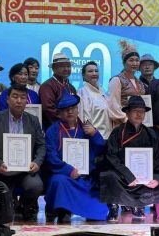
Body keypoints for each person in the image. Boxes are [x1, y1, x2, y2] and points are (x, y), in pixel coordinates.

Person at [0, 84, 45, 221]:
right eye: (15, 97)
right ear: (7, 99)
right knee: (3, 208)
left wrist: (37, 162)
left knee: (36, 186)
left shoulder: (33, 120)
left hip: (26, 170)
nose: (19, 101)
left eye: (23, 97)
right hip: (3, 169)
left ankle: (25, 205)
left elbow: (41, 145)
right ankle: (11, 205)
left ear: (26, 101)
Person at [44, 90, 108, 221]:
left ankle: (90, 211)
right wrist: (69, 170)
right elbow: (50, 157)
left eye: (73, 108)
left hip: (85, 177)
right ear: (59, 113)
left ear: (78, 110)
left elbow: (101, 149)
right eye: (65, 109)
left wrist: (95, 134)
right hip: (64, 175)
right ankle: (63, 210)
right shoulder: (52, 131)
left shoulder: (86, 129)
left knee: (98, 211)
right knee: (59, 181)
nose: (70, 112)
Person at [100, 96, 159, 220]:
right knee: (109, 175)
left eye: (142, 111)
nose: (139, 114)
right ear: (127, 113)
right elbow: (111, 156)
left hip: (142, 176)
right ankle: (113, 206)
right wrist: (127, 175)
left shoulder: (151, 134)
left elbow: (158, 158)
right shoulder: (118, 132)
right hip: (122, 175)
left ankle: (138, 205)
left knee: (158, 183)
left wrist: (157, 178)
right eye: (135, 111)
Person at [107, 40, 145, 128]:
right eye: (131, 60)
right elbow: (113, 106)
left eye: (137, 60)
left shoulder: (140, 83)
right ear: (124, 63)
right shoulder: (116, 80)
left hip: (137, 125)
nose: (134, 63)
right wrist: (127, 120)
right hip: (122, 125)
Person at [39, 52, 76, 130]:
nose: (66, 69)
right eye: (62, 66)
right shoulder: (47, 86)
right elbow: (48, 109)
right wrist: (65, 123)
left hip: (70, 127)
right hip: (53, 129)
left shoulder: (71, 87)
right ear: (54, 68)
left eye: (68, 66)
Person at [77, 61, 112, 139]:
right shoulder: (82, 92)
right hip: (94, 138)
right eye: (90, 71)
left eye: (96, 71)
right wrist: (94, 136)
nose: (94, 73)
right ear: (83, 75)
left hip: (108, 137)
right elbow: (84, 118)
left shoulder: (103, 92)